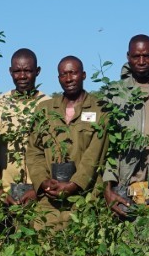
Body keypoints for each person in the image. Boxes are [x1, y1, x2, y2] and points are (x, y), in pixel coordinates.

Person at [25, 56, 109, 224]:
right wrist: (43, 182)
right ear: (58, 78)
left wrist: (74, 184)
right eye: (63, 74)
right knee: (43, 246)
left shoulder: (101, 109)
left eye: (73, 73)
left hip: (85, 199)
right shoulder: (45, 109)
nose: (69, 78)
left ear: (83, 75)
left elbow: (95, 154)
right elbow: (34, 151)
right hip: (49, 201)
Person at [103, 34, 149, 214]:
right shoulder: (115, 92)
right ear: (128, 57)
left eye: (147, 56)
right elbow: (108, 144)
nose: (142, 61)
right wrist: (108, 187)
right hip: (127, 185)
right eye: (136, 56)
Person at [0, 48, 49, 204]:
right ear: (10, 72)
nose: (22, 76)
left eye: (28, 71)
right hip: (4, 192)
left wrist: (39, 189)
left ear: (37, 71)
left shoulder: (49, 105)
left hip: (41, 191)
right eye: (17, 71)